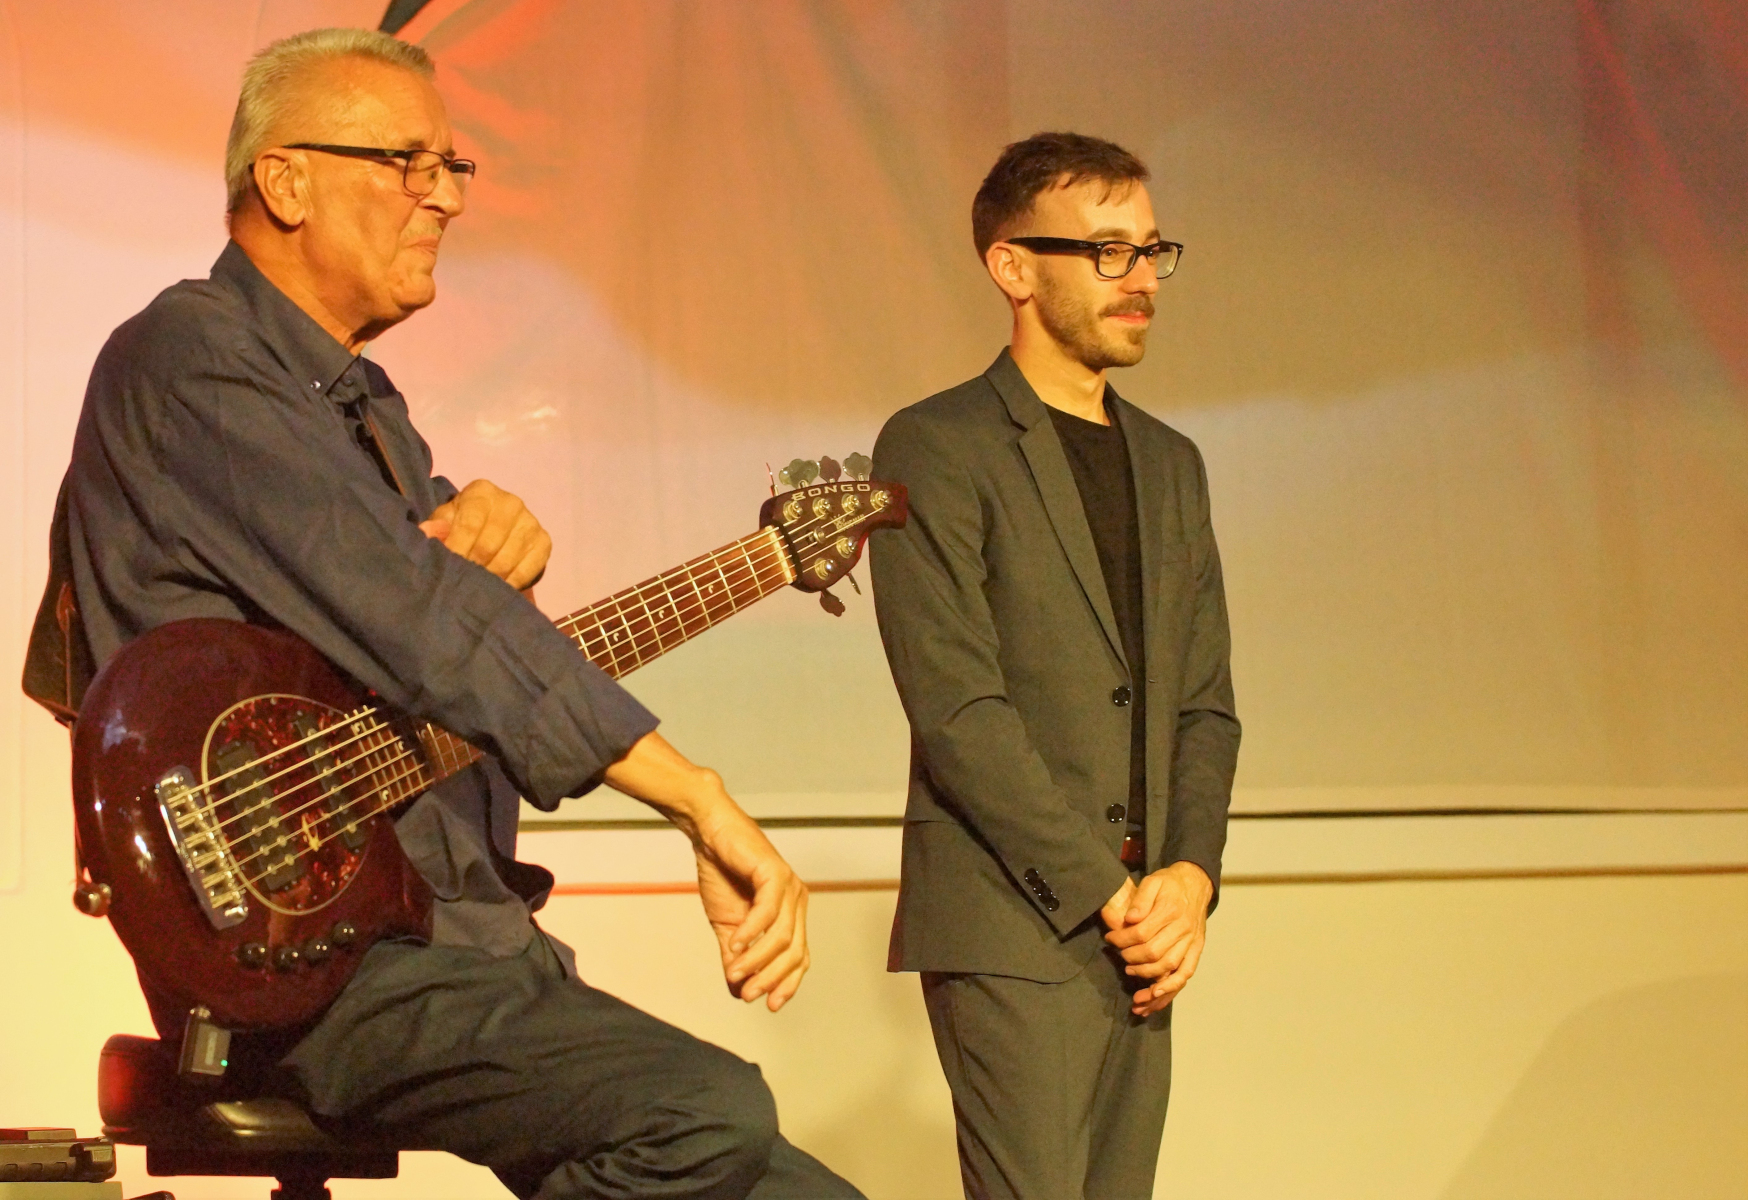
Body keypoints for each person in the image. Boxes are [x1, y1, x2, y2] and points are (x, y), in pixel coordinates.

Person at [55, 27, 860, 1200]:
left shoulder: (365, 409)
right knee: (704, 1115)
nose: (445, 198)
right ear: (285, 182)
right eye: (407, 164)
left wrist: (500, 571)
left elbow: (439, 635)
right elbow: (433, 626)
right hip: (317, 969)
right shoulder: (189, 359)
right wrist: (698, 798)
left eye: (451, 168)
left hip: (457, 938)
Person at [869, 132, 1241, 1200]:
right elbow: (958, 710)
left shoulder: (1171, 463)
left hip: (1144, 930)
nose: (1140, 280)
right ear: (1013, 267)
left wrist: (1188, 879)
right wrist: (1104, 891)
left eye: (1150, 250)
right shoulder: (936, 445)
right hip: (1012, 917)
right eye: (1107, 251)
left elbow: (1204, 707)